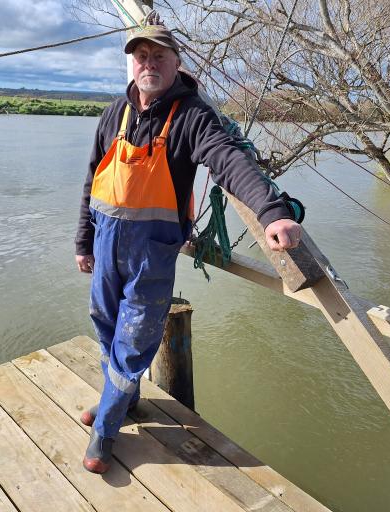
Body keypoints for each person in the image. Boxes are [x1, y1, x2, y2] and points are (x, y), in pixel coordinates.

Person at [75, 23, 302, 474]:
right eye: (140, 56)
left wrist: (271, 211)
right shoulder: (113, 114)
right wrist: (83, 240)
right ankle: (121, 399)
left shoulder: (193, 115)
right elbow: (90, 182)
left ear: (177, 61)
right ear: (130, 63)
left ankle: (106, 427)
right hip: (104, 246)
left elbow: (229, 160)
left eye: (159, 55)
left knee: (136, 338)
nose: (149, 64)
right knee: (105, 325)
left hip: (151, 253)